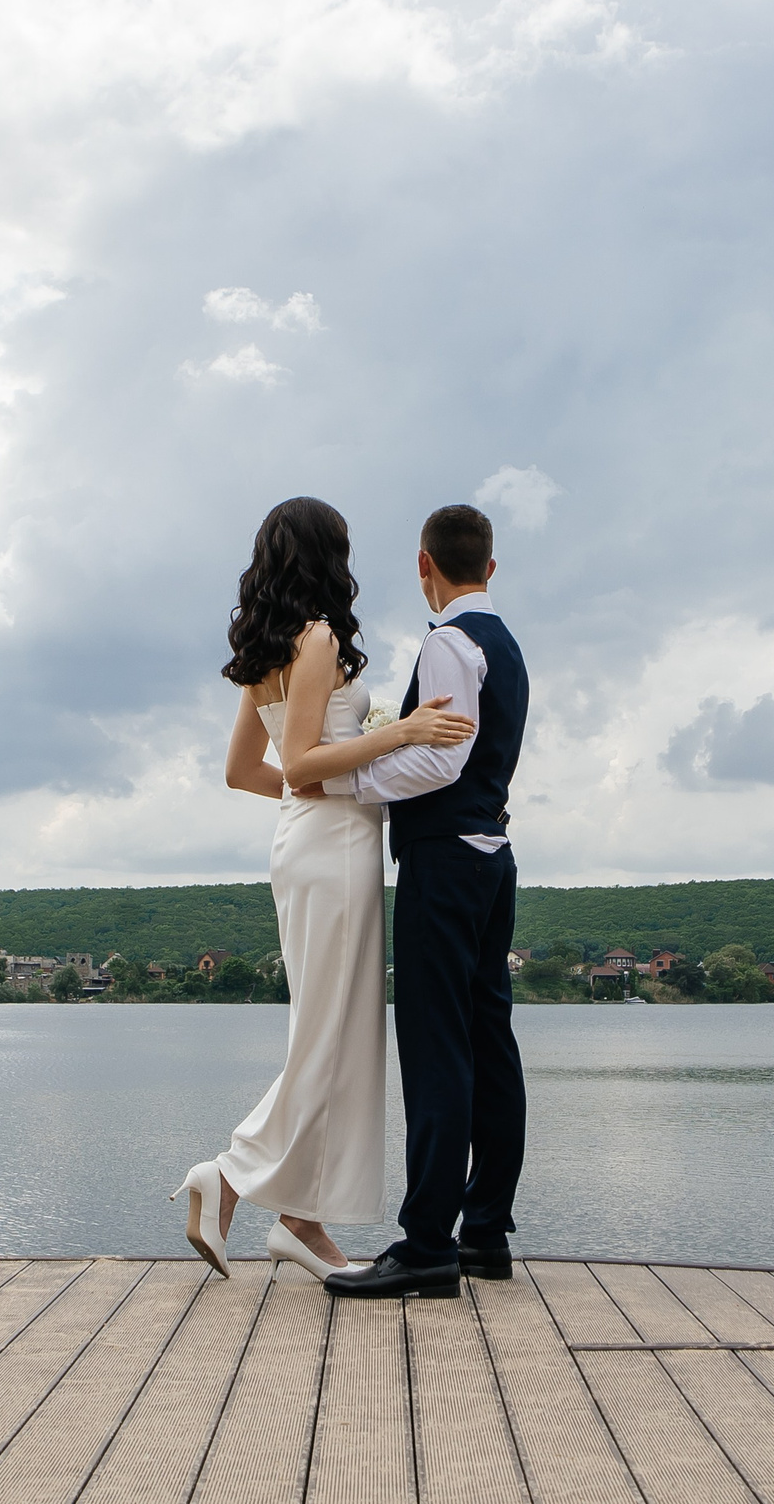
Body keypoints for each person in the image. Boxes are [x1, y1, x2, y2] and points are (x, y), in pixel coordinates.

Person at [180, 497, 477, 1283]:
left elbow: (248, 771)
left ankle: (301, 1219)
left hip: (304, 843)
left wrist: (304, 790)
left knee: (332, 1033)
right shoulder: (313, 638)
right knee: (329, 1035)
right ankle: (231, 1176)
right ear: (326, 553)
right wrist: (400, 731)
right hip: (337, 848)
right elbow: (308, 758)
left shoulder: (266, 645)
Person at [324, 503, 529, 1300]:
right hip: (493, 859)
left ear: (423, 565)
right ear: (491, 566)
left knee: (437, 1045)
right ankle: (484, 1232)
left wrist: (350, 780)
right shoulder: (507, 644)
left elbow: (440, 759)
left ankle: (425, 1245)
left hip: (444, 862)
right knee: (489, 1042)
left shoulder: (449, 641)